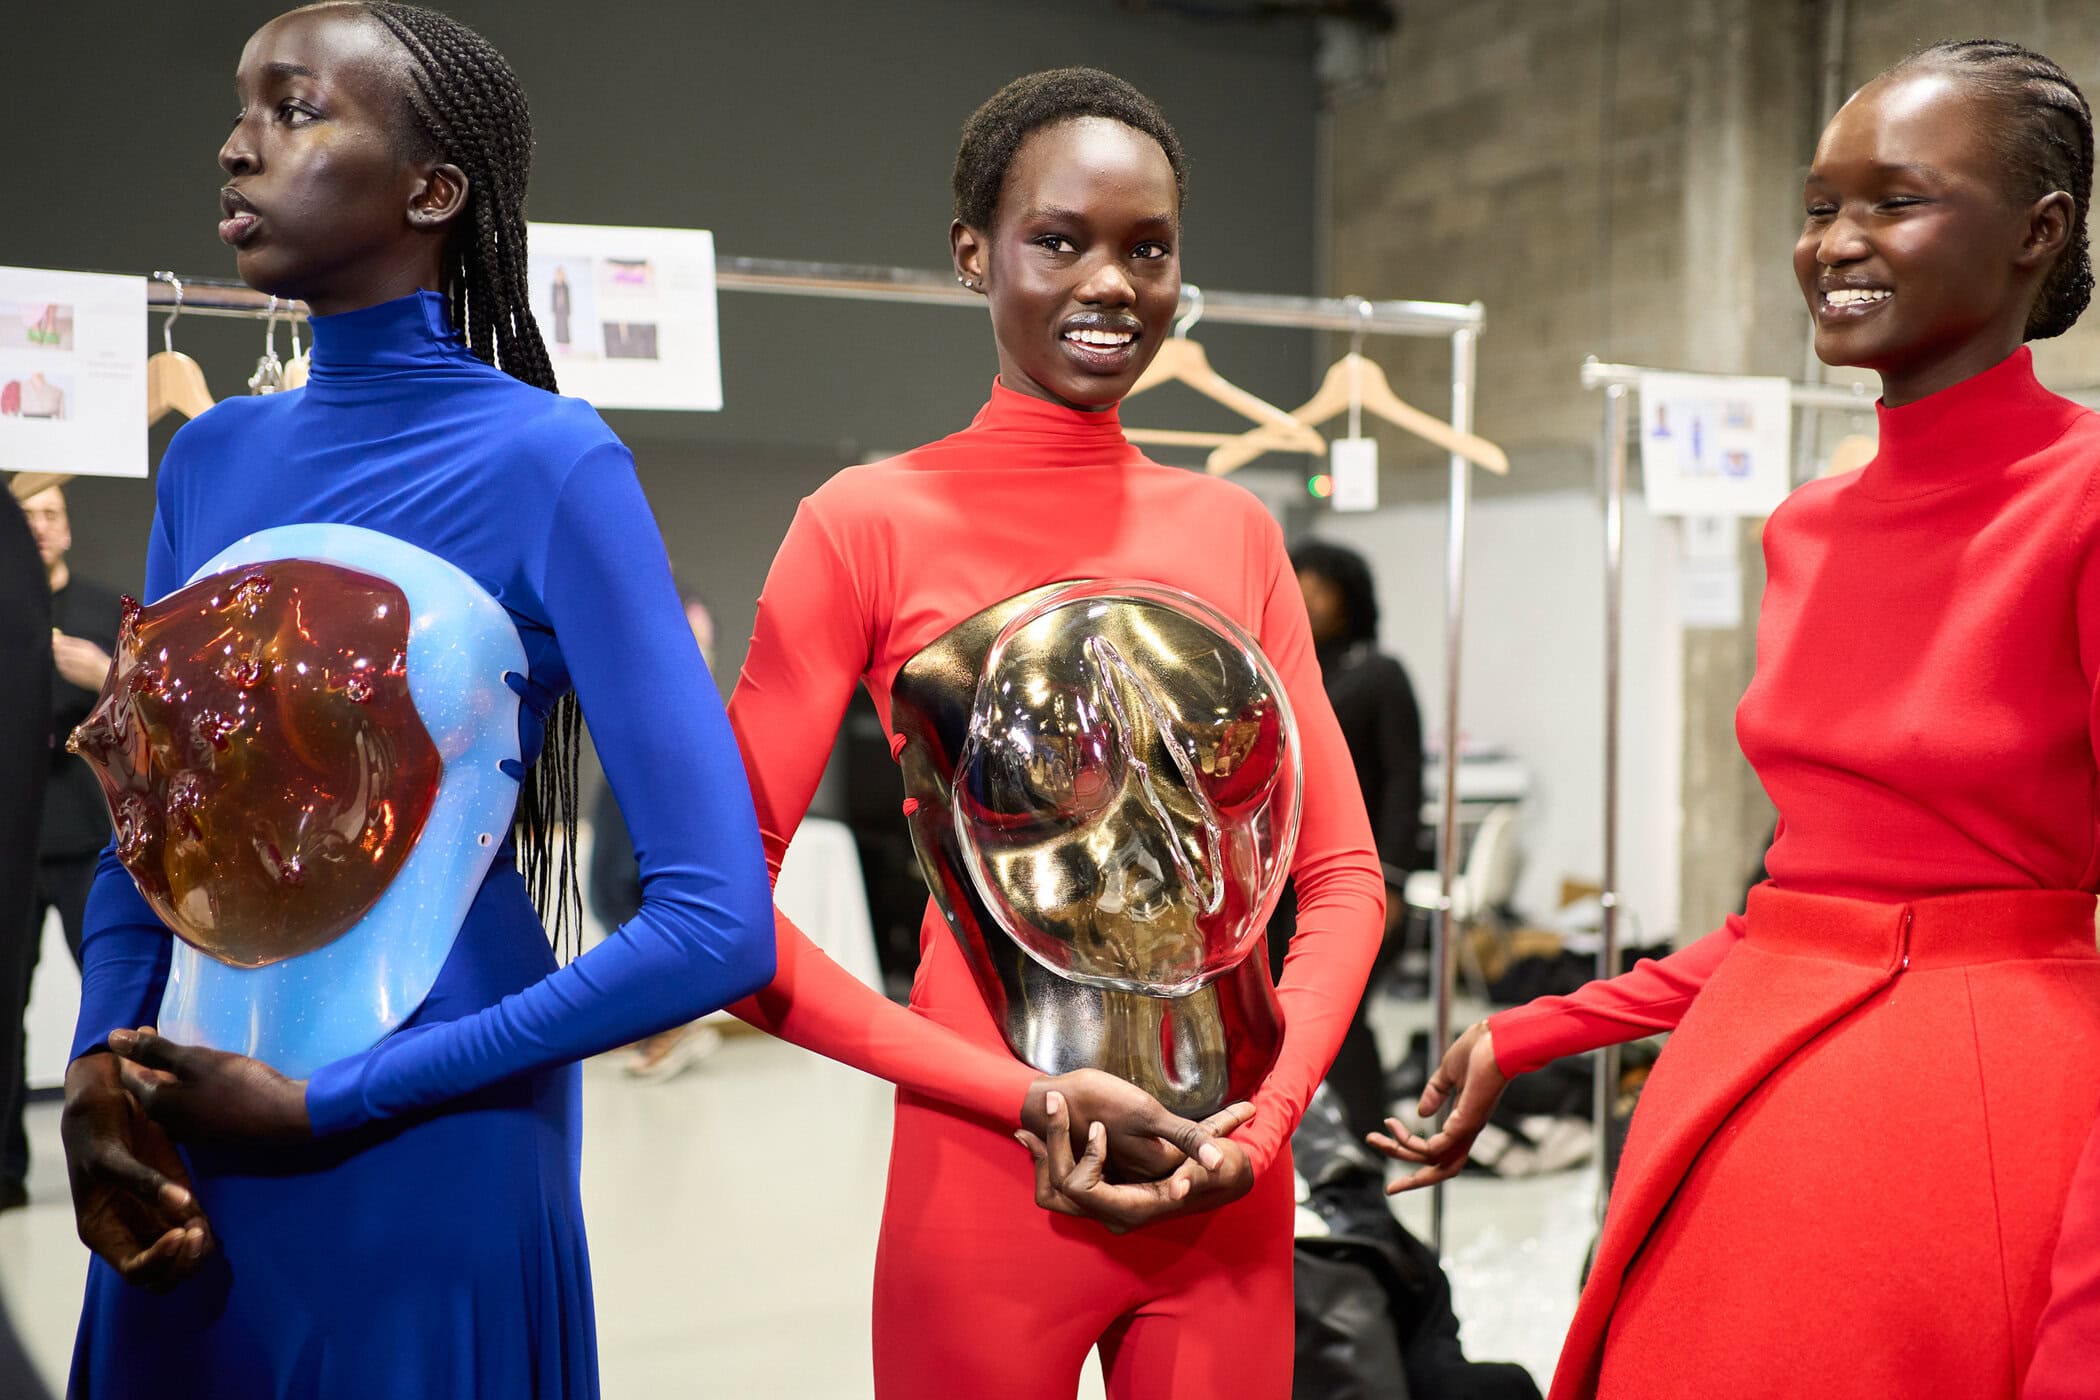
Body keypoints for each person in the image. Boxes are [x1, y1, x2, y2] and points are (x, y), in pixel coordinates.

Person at [63, 6, 775, 1397]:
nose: (236, 146)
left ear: (433, 190)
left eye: (293, 109)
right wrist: (96, 1064)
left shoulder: (551, 463)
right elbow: (151, 831)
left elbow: (716, 923)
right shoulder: (209, 460)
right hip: (183, 1122)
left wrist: (331, 1100)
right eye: (240, 109)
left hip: (428, 1138)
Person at [1374, 39, 2100, 1400]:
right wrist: (1534, 1029)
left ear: (2037, 232)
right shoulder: (1808, 528)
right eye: (1820, 206)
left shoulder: (2084, 499)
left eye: (1895, 200)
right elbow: (1802, 910)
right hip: (1740, 1101)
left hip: (1968, 1136)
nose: (1836, 243)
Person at [724, 68, 1385, 1398]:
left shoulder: (1235, 533)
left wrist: (1266, 1127)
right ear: (974, 253)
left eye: (1149, 249)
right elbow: (719, 910)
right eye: (1061, 240)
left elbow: (1342, 876)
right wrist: (1020, 1098)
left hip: (1222, 1184)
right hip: (990, 1173)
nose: (1111, 283)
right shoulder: (865, 524)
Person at [1276, 538, 1423, 1140]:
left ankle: (1368, 1140)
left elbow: (1405, 783)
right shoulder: (1282, 670)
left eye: (1322, 586)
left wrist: (1392, 880)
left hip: (1354, 874)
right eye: (1299, 583)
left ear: (1349, 596)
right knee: (1282, 1015)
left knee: (1341, 1016)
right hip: (1282, 878)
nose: (1308, 597)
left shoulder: (1379, 675)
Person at [2, 482, 120, 1211]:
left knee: (116, 1004)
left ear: (70, 530)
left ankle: (132, 1153)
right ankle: (4, 1172)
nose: (41, 528)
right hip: (14, 843)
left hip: (88, 842)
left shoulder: (107, 611)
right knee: (6, 1012)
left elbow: (154, 709)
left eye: (53, 514)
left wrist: (102, 673)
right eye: (28, 516)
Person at [586, 589, 723, 1080]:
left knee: (628, 892)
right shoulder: (646, 611)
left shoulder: (679, 612)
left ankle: (675, 1019)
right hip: (633, 761)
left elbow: (685, 680)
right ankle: (654, 1018)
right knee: (610, 892)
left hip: (654, 761)